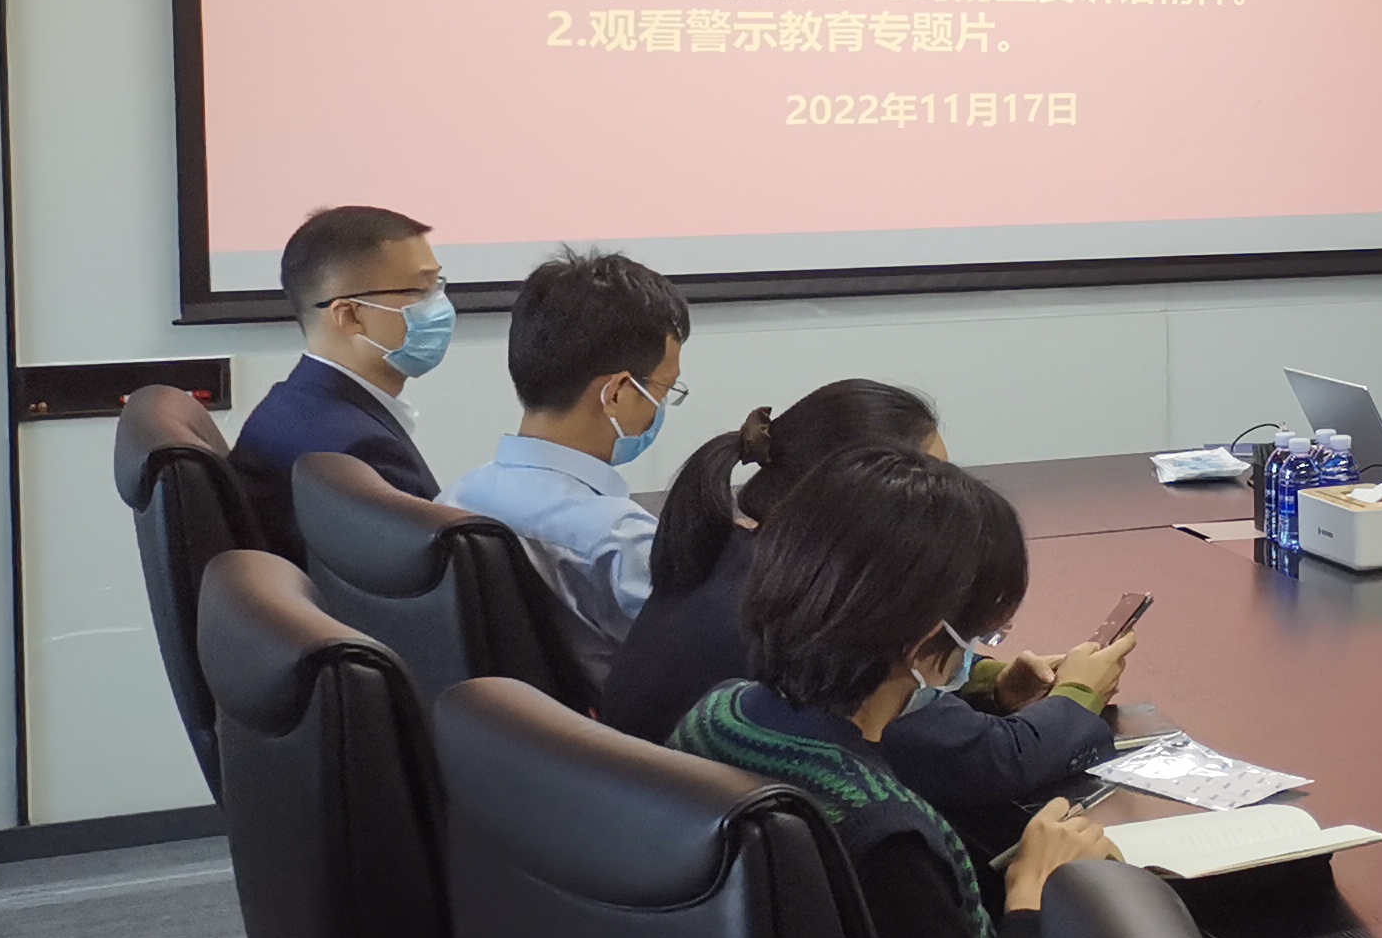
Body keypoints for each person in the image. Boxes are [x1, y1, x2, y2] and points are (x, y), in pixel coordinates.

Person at [672, 447, 1121, 938]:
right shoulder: (881, 833)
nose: (980, 652)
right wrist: (1034, 890)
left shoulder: (716, 715)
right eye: (981, 635)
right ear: (925, 644)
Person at [600, 378, 1137, 855]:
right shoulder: (826, 631)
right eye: (924, 485)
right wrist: (1079, 693)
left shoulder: (749, 559)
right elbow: (990, 763)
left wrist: (986, 682)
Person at [449, 246, 688, 687]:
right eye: (664, 389)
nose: (661, 407)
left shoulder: (458, 495)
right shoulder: (621, 540)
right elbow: (701, 661)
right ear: (617, 393)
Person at [233, 204, 446, 559]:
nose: (440, 305)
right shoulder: (360, 450)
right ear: (348, 316)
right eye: (421, 290)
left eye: (438, 284)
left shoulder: (289, 404)